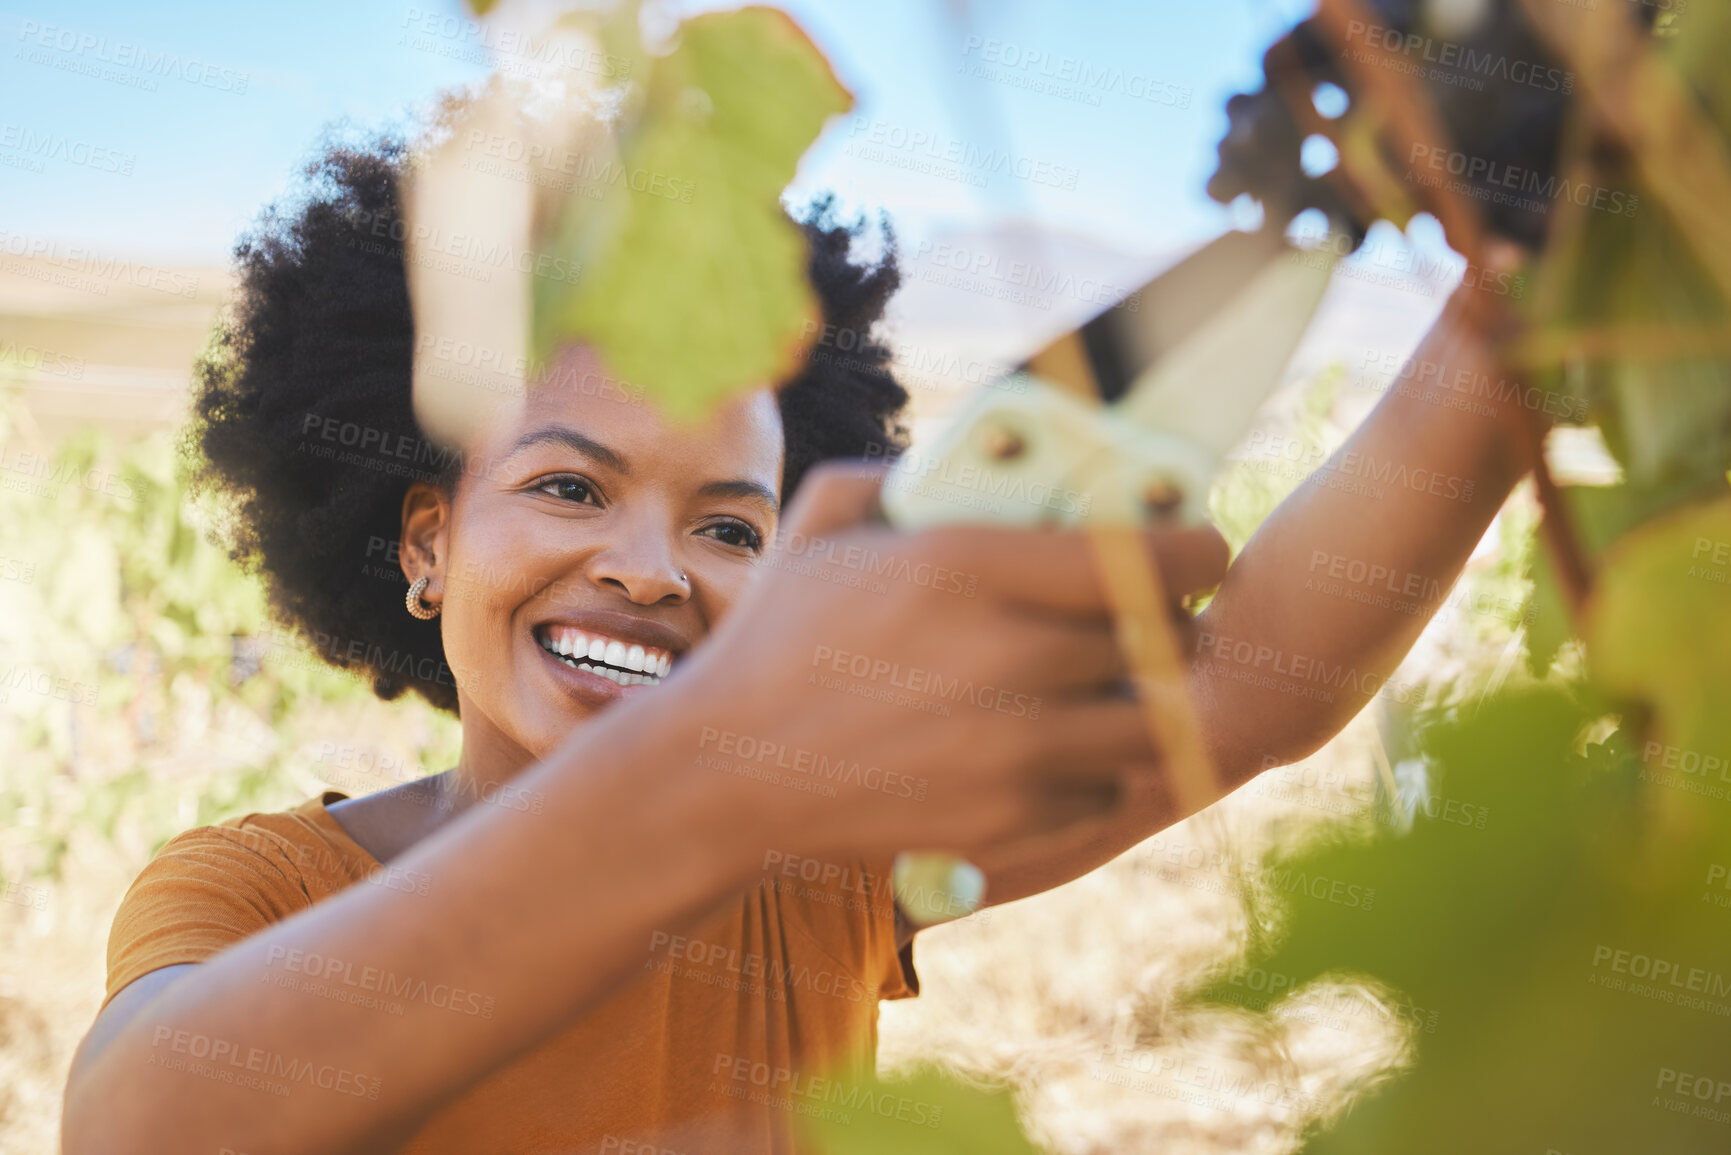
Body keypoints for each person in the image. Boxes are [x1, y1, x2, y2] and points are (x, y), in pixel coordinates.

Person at [61, 135, 1535, 1155]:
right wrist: (728, 773)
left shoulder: (818, 867)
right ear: (426, 544)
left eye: (729, 527)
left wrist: (1519, 301)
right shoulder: (254, 891)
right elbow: (157, 1128)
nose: (647, 570)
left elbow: (1246, 686)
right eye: (569, 487)